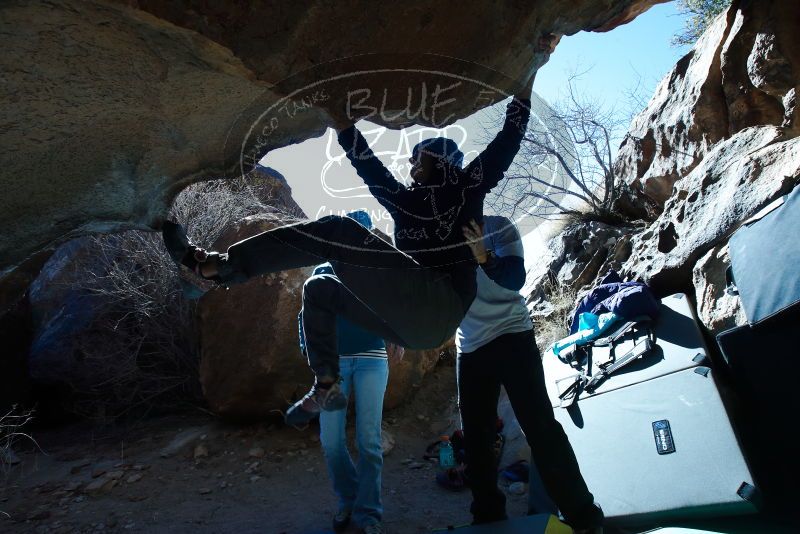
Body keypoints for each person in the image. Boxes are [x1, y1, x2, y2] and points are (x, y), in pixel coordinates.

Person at [162, 78, 533, 427]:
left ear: (442, 160)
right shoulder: (402, 201)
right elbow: (367, 164)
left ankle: (217, 267)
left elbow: (509, 138)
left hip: (444, 303)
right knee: (319, 290)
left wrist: (527, 77)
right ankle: (326, 383)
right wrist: (342, 122)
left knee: (339, 232)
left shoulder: (469, 186)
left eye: (419, 156)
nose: (409, 163)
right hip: (413, 324)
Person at [456, 215, 603, 533]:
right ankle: (488, 518)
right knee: (477, 440)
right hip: (470, 346)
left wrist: (483, 256)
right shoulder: (437, 238)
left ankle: (583, 517)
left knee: (540, 428)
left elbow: (515, 278)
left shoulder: (497, 226)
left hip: (512, 334)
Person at [298, 211, 396, 534]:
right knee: (331, 442)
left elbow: (394, 305)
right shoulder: (322, 271)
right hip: (334, 366)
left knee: (369, 442)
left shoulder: (375, 269)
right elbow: (306, 319)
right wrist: (311, 355)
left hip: (371, 359)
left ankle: (368, 515)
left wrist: (398, 335)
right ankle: (349, 498)